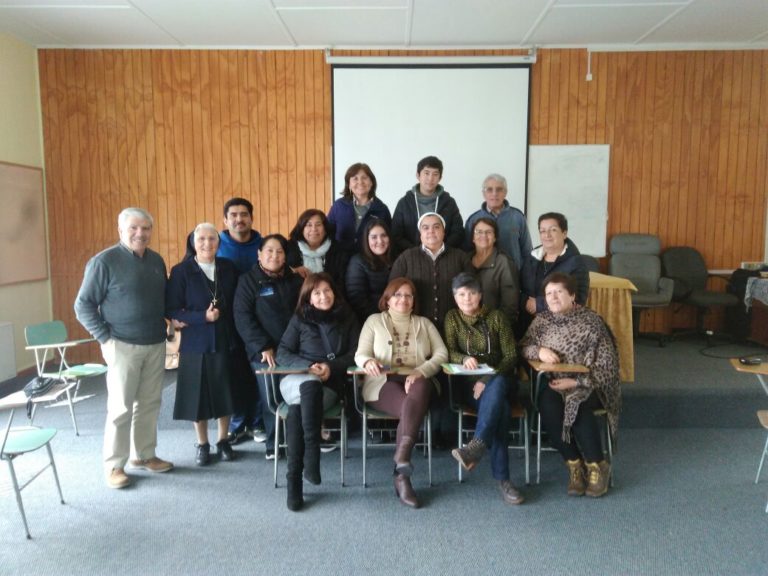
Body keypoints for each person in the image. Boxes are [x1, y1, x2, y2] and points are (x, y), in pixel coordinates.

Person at [74, 207, 173, 489]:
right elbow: (82, 305)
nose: (140, 233)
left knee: (150, 403)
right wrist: (105, 338)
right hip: (121, 345)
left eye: (145, 229)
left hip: (154, 344)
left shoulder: (156, 260)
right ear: (121, 230)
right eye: (133, 228)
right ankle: (115, 465)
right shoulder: (103, 262)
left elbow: (161, 300)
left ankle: (144, 456)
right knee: (120, 408)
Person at [520, 272, 621, 498]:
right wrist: (540, 351)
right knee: (548, 407)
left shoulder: (591, 322)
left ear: (572, 295)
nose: (553, 297)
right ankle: (574, 464)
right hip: (554, 383)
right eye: (548, 293)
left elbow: (608, 365)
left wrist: (576, 381)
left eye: (559, 292)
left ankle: (597, 464)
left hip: (589, 384)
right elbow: (524, 346)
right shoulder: (542, 321)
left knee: (578, 403)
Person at [354, 277, 448, 509]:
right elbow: (360, 353)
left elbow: (441, 354)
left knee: (420, 387)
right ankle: (402, 469)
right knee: (410, 408)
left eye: (408, 295)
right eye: (397, 295)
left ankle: (402, 467)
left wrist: (420, 371)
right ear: (387, 299)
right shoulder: (374, 321)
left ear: (414, 301)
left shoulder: (424, 323)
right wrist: (367, 362)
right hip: (382, 381)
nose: (403, 300)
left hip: (417, 380)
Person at [276, 273, 360, 511]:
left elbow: (356, 353)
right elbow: (283, 352)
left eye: (327, 290)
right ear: (308, 297)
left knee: (296, 410)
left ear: (335, 292)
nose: (323, 296)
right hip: (296, 379)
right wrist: (307, 368)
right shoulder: (299, 319)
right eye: (317, 292)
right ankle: (312, 450)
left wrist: (330, 368)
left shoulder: (348, 317)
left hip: (330, 386)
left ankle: (294, 482)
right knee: (308, 384)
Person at [443, 273, 524, 505]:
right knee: (501, 411)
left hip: (501, 379)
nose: (467, 298)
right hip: (467, 384)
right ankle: (504, 481)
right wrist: (464, 357)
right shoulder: (452, 318)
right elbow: (449, 351)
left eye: (471, 293)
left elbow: (510, 356)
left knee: (497, 386)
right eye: (461, 294)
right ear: (455, 297)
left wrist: (487, 380)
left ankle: (476, 446)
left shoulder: (496, 317)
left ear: (480, 295)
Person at [167, 223, 238, 466]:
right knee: (198, 396)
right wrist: (201, 317)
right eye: (201, 239)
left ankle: (223, 439)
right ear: (193, 242)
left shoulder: (228, 268)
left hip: (225, 339)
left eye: (212, 239)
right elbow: (173, 309)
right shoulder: (181, 271)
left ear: (219, 242)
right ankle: (202, 443)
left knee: (225, 391)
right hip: (196, 342)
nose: (207, 244)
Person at [233, 234, 303, 459]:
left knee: (294, 395)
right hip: (264, 351)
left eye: (280, 251)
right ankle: (274, 444)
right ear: (259, 254)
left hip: (294, 350)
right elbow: (242, 317)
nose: (275, 255)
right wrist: (262, 345)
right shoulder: (248, 281)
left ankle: (297, 441)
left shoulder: (295, 280)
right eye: (269, 251)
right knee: (270, 399)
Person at [215, 198, 268, 446]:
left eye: (244, 214)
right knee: (233, 375)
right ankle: (237, 424)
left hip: (258, 321)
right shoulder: (215, 244)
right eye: (233, 215)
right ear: (225, 220)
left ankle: (257, 422)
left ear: (252, 218)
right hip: (224, 322)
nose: (239, 219)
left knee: (257, 372)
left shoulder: (264, 245)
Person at [390, 212, 472, 333]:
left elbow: (473, 292)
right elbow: (392, 292)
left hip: (455, 329)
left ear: (444, 232)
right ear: (420, 234)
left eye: (436, 227)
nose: (431, 231)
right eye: (425, 227)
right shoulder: (406, 258)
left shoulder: (461, 257)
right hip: (415, 329)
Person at [519, 212, 589, 336]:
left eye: (553, 230)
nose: (547, 235)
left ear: (564, 233)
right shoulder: (531, 257)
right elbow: (518, 288)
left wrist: (538, 306)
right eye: (542, 231)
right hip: (527, 321)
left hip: (561, 327)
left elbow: (578, 299)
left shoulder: (577, 262)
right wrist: (526, 302)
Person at [391, 156, 464, 254]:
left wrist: (440, 250)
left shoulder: (449, 202)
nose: (430, 178)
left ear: (440, 178)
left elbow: (458, 232)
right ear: (418, 175)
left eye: (435, 174)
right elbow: (396, 234)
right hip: (412, 257)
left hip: (443, 256)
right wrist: (416, 252)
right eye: (426, 173)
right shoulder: (404, 203)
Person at [464, 173, 532, 272]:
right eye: (489, 189)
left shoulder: (517, 217)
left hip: (513, 275)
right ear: (484, 193)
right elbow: (467, 251)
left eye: (499, 189)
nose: (494, 193)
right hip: (482, 276)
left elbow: (527, 252)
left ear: (505, 193)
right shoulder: (473, 219)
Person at [327, 162, 392, 254]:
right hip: (340, 261)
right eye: (355, 179)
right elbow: (328, 233)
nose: (360, 182)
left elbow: (388, 239)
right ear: (349, 184)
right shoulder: (338, 206)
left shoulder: (382, 209)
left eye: (364, 178)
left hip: (370, 263)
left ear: (371, 182)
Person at [468, 217, 520, 328]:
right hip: (467, 327)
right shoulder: (465, 260)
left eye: (489, 232)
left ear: (495, 237)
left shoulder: (504, 262)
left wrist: (496, 329)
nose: (483, 235)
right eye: (479, 232)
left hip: (494, 328)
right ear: (473, 237)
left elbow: (510, 306)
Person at [286, 209, 350, 293]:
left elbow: (342, 284)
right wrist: (293, 270)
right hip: (297, 301)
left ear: (325, 228)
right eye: (308, 225)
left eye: (318, 224)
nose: (314, 229)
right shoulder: (288, 248)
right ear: (302, 229)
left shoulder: (338, 250)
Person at [345, 218, 393, 323]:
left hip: (396, 317)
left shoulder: (398, 258)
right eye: (374, 237)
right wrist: (381, 319)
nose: (380, 241)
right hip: (370, 321)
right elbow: (357, 298)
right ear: (367, 240)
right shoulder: (357, 262)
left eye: (384, 236)